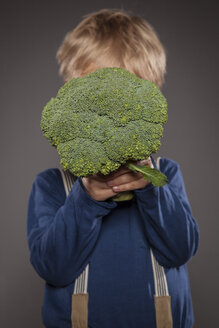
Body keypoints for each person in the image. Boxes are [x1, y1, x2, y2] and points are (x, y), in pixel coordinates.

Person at [27, 8, 200, 328]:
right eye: (98, 92)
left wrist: (151, 188)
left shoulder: (166, 174)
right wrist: (86, 198)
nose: (112, 112)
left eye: (128, 93)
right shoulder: (52, 186)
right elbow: (53, 267)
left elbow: (181, 249)